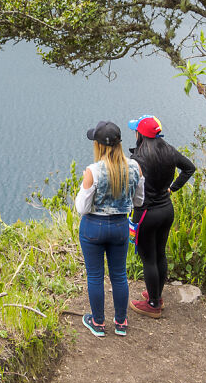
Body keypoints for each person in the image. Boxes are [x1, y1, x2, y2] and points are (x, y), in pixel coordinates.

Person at [74, 120, 144, 337]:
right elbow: (139, 201)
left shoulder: (92, 171)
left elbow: (82, 208)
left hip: (93, 228)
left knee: (95, 276)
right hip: (120, 227)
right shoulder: (135, 167)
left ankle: (98, 323)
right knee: (119, 275)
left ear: (99, 145)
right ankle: (121, 323)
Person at [127, 115, 195, 318]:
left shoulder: (138, 159)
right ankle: (156, 294)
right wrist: (172, 189)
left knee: (148, 259)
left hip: (147, 213)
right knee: (160, 254)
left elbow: (131, 188)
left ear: (140, 134)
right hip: (166, 210)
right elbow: (189, 168)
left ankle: (153, 304)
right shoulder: (168, 150)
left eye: (135, 131)